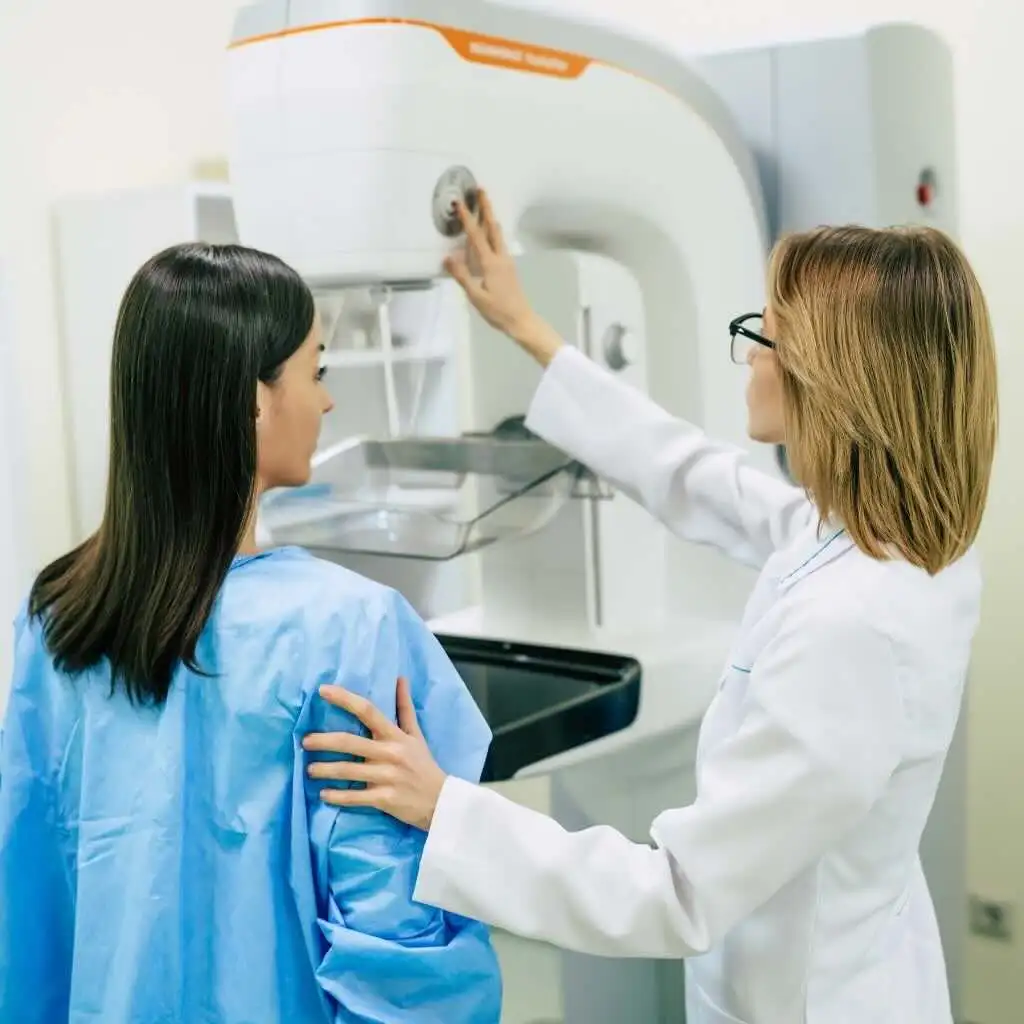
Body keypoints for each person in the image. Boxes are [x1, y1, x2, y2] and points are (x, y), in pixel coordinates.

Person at [301, 193, 999, 1024]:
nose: (749, 355)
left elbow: (676, 892)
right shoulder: (905, 541)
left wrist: (443, 806)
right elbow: (700, 477)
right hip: (851, 952)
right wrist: (528, 328)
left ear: (832, 381)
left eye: (764, 333)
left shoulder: (852, 626)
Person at [0, 244, 502, 1023]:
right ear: (253, 401)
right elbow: (394, 933)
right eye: (317, 370)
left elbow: (26, 916)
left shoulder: (59, 614)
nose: (327, 402)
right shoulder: (347, 626)